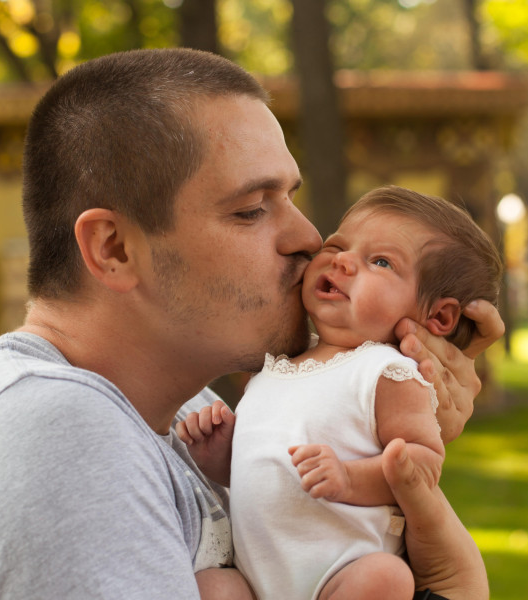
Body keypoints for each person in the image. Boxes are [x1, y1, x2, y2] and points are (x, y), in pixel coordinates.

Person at [0, 48, 501, 599]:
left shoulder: (180, 412)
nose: (309, 238)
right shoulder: (58, 445)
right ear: (114, 249)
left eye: (290, 198)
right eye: (252, 209)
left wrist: (380, 426)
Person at [179, 186, 502, 599]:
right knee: (211, 585)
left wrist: (349, 478)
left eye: (380, 261)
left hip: (340, 569)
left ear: (437, 316)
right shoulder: (274, 369)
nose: (342, 261)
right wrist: (223, 456)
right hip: (255, 577)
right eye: (337, 245)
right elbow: (268, 471)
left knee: (387, 577)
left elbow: (421, 464)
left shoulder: (388, 372)